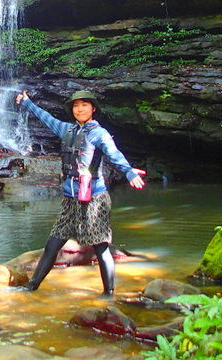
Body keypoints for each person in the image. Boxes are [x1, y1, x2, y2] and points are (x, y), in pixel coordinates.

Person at [16, 89, 146, 295]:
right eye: (76, 106)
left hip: (94, 198)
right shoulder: (67, 130)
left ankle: (109, 293)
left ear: (93, 109)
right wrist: (27, 103)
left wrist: (129, 172)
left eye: (84, 105)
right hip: (70, 199)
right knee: (52, 244)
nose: (79, 109)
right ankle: (31, 287)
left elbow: (114, 154)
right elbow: (47, 118)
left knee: (101, 247)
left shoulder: (99, 134)